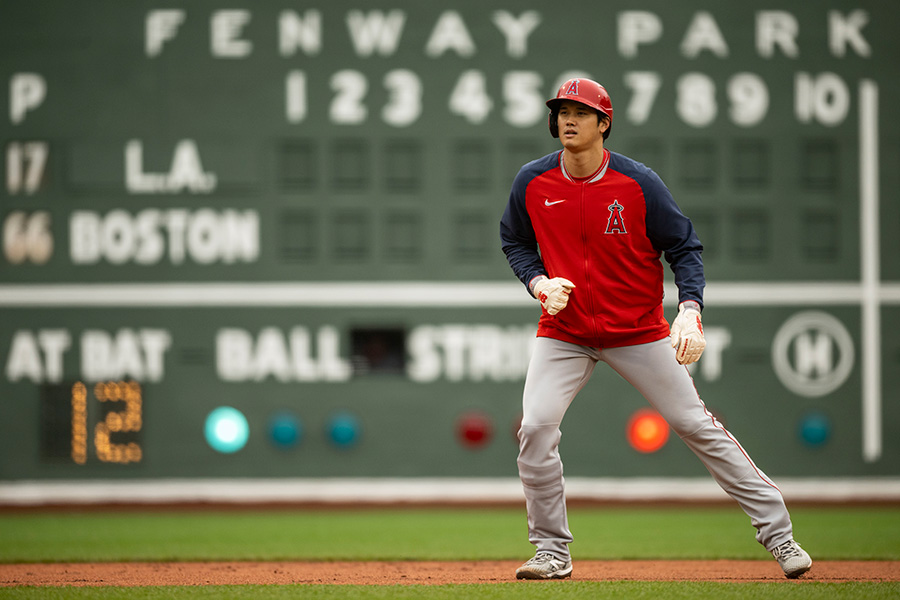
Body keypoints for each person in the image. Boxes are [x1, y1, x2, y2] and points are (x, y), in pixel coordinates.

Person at [499, 78, 812, 580]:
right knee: (535, 429)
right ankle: (552, 552)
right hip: (565, 330)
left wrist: (689, 308)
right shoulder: (532, 182)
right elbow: (514, 240)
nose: (568, 119)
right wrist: (537, 282)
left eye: (581, 111)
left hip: (639, 331)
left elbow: (684, 247)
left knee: (694, 424)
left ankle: (781, 537)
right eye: (561, 111)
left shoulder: (638, 182)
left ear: (604, 122)